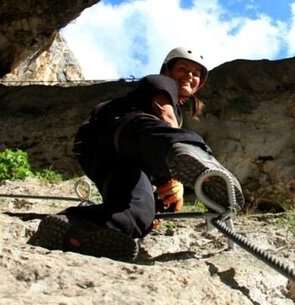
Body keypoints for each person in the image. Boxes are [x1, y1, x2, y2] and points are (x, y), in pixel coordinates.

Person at [28, 47, 244, 261]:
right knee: (163, 136)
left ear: (201, 83)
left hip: (110, 162)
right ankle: (209, 170)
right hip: (116, 132)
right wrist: (173, 172)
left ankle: (73, 228)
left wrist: (163, 199)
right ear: (167, 70)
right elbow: (165, 118)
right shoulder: (159, 82)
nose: (189, 75)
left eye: (196, 74)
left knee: (138, 212)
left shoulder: (171, 111)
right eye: (183, 68)